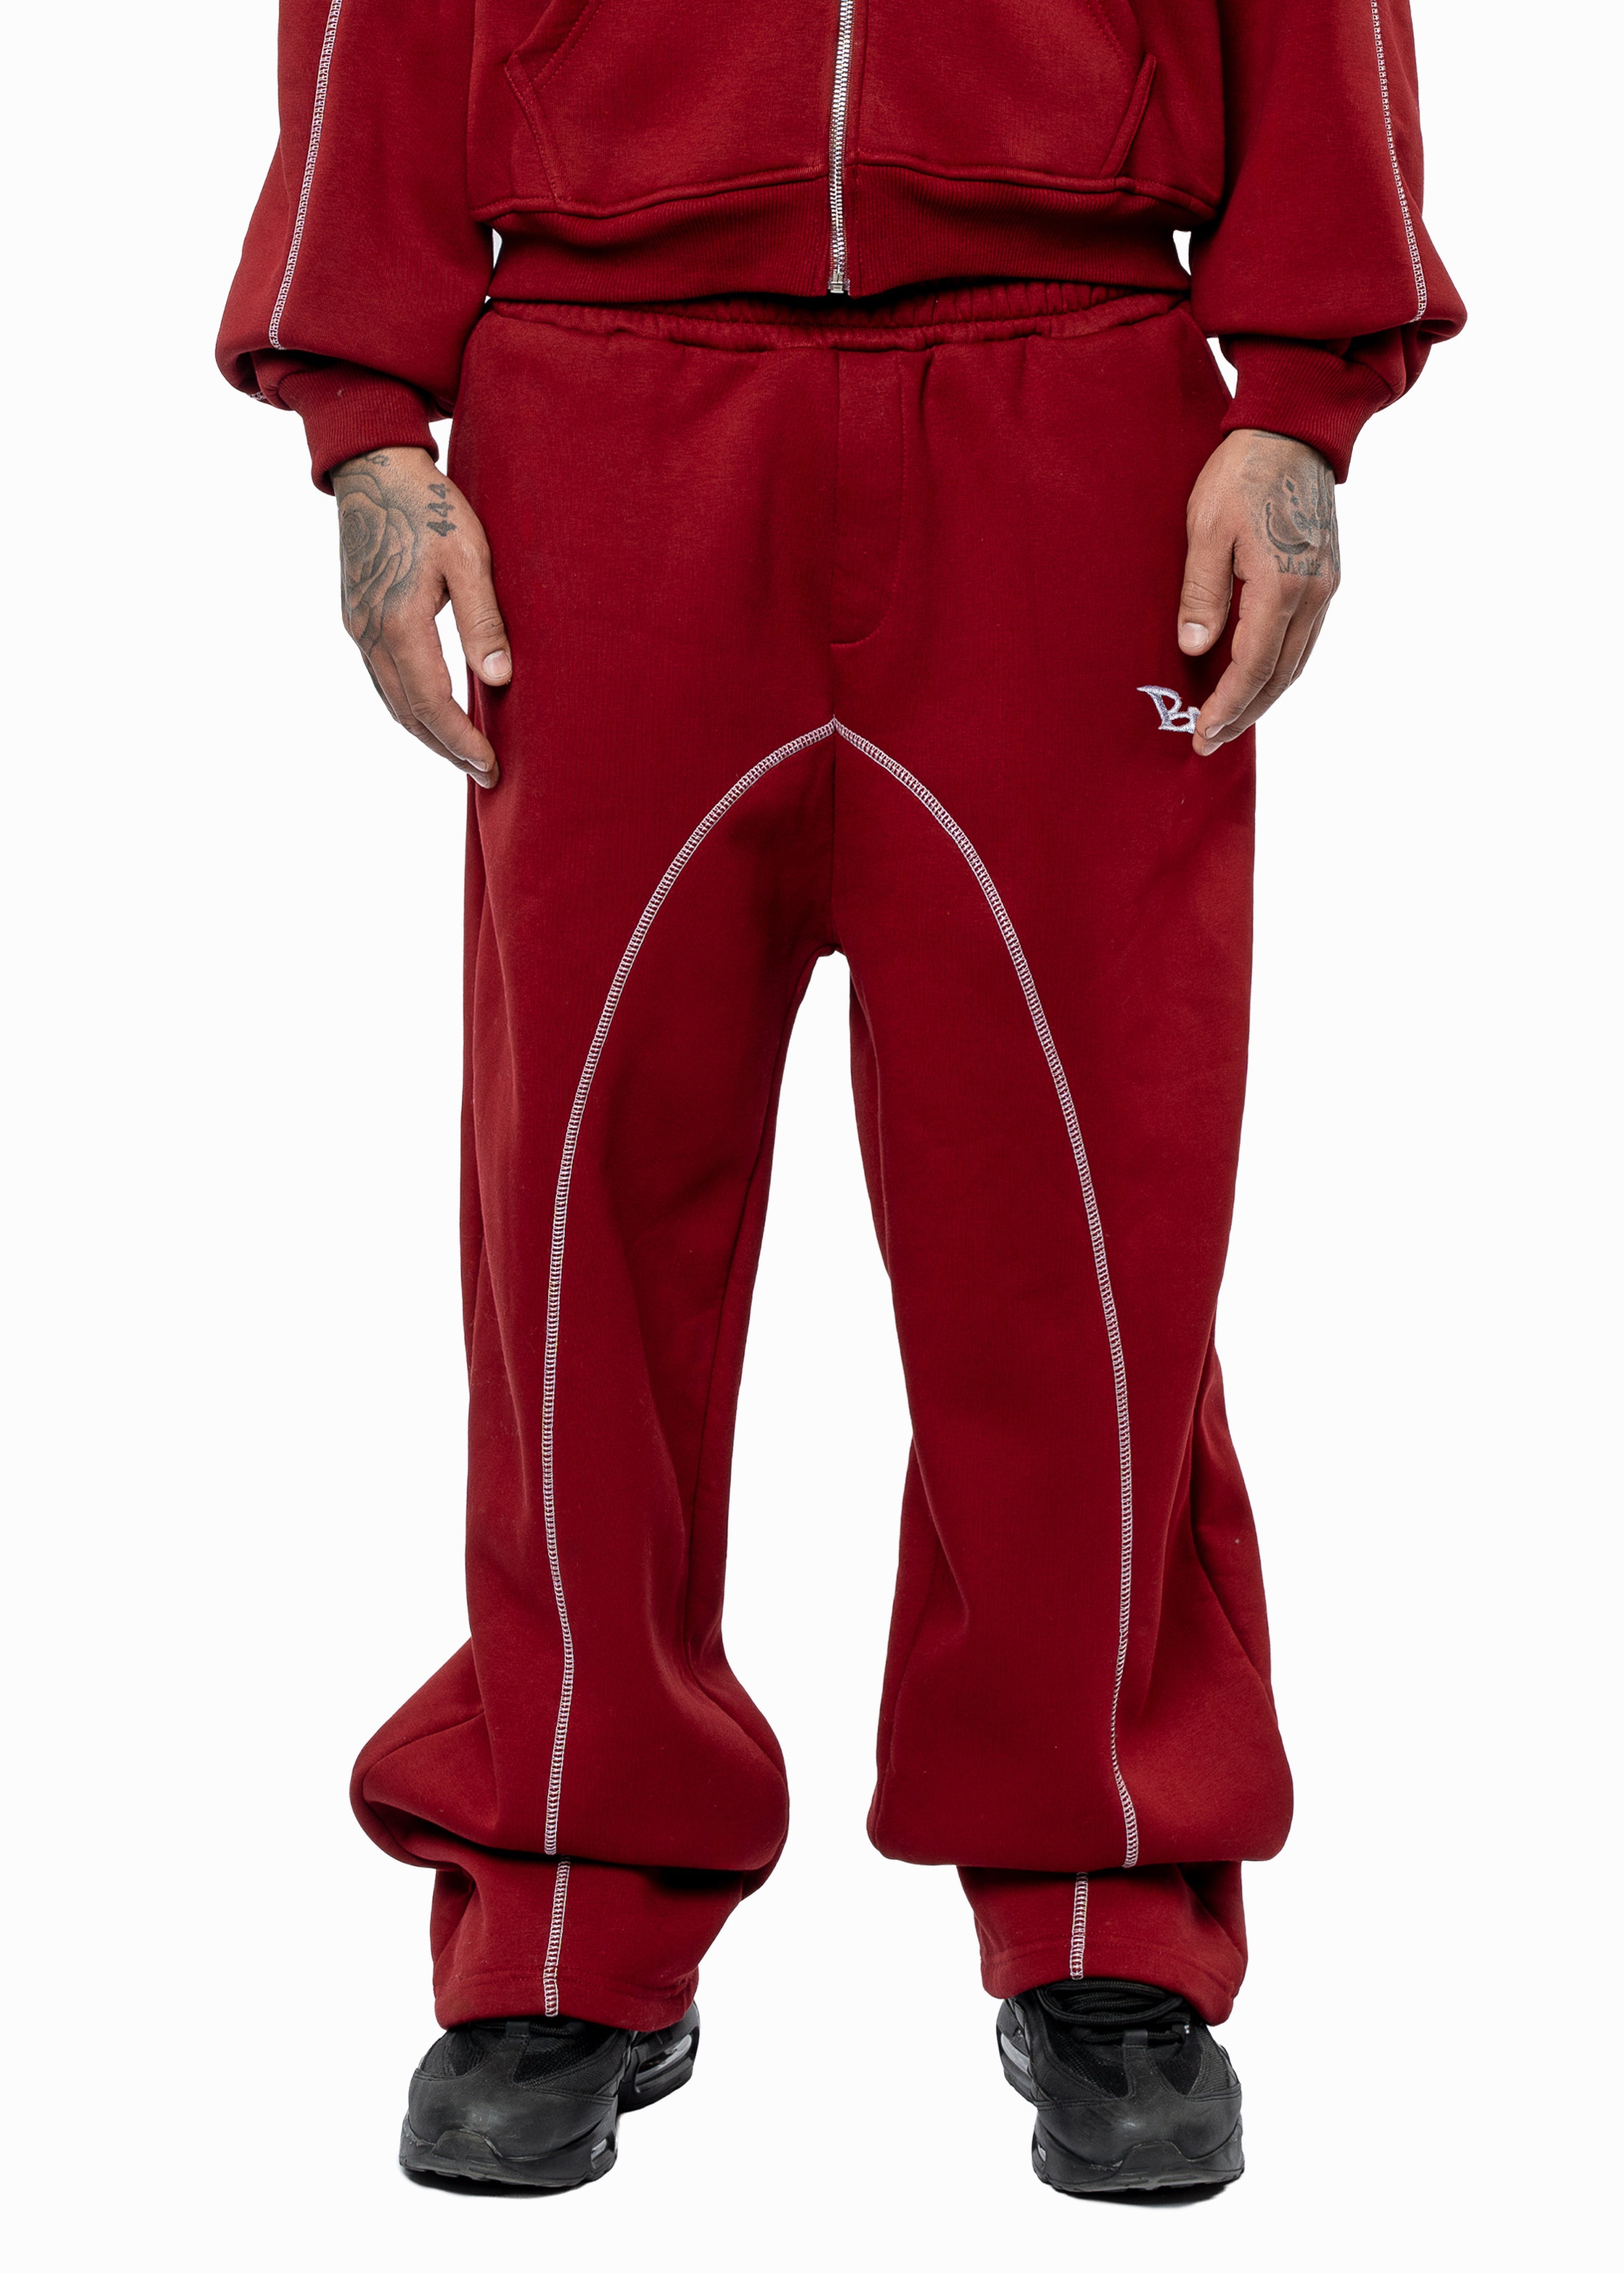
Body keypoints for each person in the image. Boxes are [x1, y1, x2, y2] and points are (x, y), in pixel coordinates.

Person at [220, 0, 1461, 2198]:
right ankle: (569, 1909)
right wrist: (368, 425)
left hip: (1072, 400)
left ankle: (1104, 1911)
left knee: (1086, 1215)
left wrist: (1298, 395)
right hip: (598, 406)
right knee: (577, 1206)